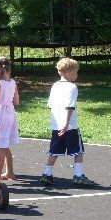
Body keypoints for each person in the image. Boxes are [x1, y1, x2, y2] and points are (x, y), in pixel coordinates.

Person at [39, 58, 95, 186]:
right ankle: (78, 175)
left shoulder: (55, 86)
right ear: (70, 73)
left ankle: (47, 174)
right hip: (69, 127)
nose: (77, 75)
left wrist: (58, 123)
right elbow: (70, 107)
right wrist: (66, 124)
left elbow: (50, 105)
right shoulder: (72, 87)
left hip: (56, 126)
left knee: (54, 150)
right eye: (76, 72)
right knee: (78, 151)